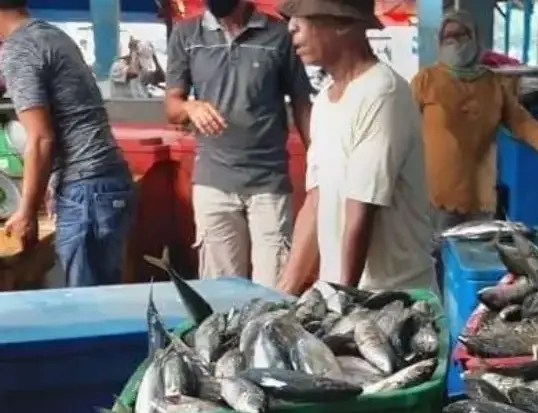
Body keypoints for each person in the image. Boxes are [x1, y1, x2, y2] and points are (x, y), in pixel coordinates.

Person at [276, 0, 436, 294]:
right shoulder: (323, 102)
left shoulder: (382, 93)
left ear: (343, 24)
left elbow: (361, 209)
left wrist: (344, 302)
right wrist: (282, 293)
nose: (291, 27)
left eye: (304, 17)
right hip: (343, 294)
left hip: (389, 299)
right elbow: (316, 201)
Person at [165, 0, 313, 287]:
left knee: (274, 293)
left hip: (268, 183)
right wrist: (190, 108)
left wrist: (319, 165)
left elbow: (301, 103)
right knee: (220, 293)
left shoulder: (279, 34)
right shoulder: (186, 34)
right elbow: (172, 105)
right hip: (213, 183)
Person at [0, 1, 136, 287]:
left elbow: (40, 138)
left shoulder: (18, 50)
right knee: (104, 300)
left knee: (88, 308)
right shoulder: (53, 35)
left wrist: (26, 212)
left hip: (87, 190)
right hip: (107, 180)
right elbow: (73, 118)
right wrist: (54, 181)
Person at [411, 10, 538, 231]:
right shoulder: (426, 80)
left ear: (475, 38)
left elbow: (521, 122)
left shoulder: (492, 83)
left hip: (480, 197)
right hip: (434, 197)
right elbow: (402, 126)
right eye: (448, 37)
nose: (455, 42)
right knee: (433, 258)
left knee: (472, 258)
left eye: (461, 35)